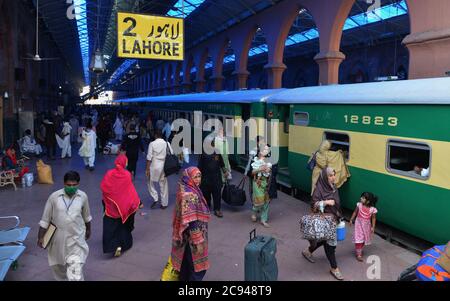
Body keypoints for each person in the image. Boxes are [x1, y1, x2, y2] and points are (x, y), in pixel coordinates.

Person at [37, 171, 92, 281]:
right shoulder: (54, 197)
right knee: (58, 267)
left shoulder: (83, 196)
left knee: (75, 271)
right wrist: (40, 236)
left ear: (78, 184)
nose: (71, 187)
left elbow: (86, 216)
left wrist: (88, 229)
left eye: (74, 185)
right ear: (64, 183)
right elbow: (45, 219)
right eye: (68, 185)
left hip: (76, 239)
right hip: (58, 240)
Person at [302, 167, 344, 281]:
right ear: (325, 177)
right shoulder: (319, 189)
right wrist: (325, 202)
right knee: (330, 245)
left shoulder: (333, 187)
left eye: (334, 174)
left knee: (323, 240)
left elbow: (337, 203)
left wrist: (339, 214)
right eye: (330, 175)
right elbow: (313, 204)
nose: (333, 177)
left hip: (333, 219)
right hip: (324, 221)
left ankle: (308, 251)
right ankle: (334, 268)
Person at [171, 167, 210, 281]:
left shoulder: (186, 187)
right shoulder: (189, 195)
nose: (198, 179)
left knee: (186, 264)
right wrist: (198, 241)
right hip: (193, 236)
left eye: (199, 176)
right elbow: (191, 220)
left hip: (185, 236)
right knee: (198, 268)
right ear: (189, 178)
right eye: (195, 177)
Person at [100, 154, 140, 257]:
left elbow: (104, 187)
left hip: (110, 206)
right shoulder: (127, 174)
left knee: (110, 226)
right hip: (123, 206)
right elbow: (129, 189)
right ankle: (123, 244)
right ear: (124, 163)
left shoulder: (109, 173)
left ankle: (113, 246)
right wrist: (137, 201)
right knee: (123, 225)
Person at [198, 138, 226, 218]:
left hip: (216, 178)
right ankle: (207, 207)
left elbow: (221, 163)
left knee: (217, 194)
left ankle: (217, 209)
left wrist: (225, 172)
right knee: (206, 194)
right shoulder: (202, 153)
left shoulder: (217, 151)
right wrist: (198, 177)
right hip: (205, 178)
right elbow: (199, 166)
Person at [146, 129, 173, 210]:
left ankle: (155, 197)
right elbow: (171, 153)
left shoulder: (152, 144)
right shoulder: (166, 143)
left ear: (155, 135)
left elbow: (149, 157)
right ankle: (164, 204)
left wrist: (147, 168)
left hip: (153, 166)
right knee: (163, 185)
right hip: (163, 166)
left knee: (149, 182)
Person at [349, 192, 378, 261]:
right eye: (361, 197)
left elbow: (373, 218)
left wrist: (373, 227)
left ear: (368, 201)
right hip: (358, 224)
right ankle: (359, 254)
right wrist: (351, 219)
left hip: (366, 226)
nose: (361, 198)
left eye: (363, 198)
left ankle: (359, 249)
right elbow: (355, 212)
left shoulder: (372, 209)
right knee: (359, 238)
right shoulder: (359, 205)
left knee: (363, 239)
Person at [250, 144, 272, 228]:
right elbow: (251, 172)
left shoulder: (268, 161)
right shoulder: (255, 160)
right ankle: (254, 211)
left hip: (265, 183)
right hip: (257, 183)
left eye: (267, 150)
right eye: (264, 149)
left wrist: (268, 170)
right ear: (260, 151)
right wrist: (260, 169)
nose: (266, 151)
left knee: (266, 202)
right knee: (259, 201)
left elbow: (269, 172)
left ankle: (263, 220)